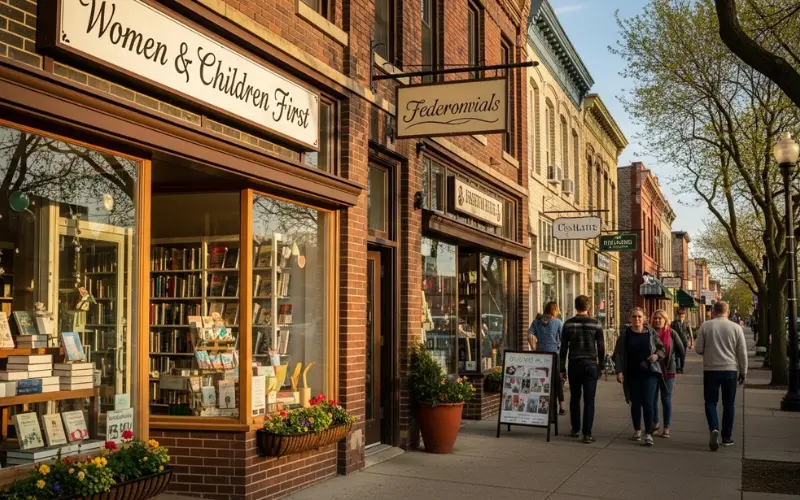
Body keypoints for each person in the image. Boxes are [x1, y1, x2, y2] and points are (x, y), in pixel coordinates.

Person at [695, 301, 747, 451]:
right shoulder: (736, 328)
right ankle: (726, 438)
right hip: (730, 370)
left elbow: (698, 349)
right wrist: (743, 371)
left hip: (711, 370)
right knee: (729, 404)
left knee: (710, 402)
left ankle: (713, 428)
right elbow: (742, 353)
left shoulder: (706, 326)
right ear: (728, 312)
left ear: (713, 312)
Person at [613, 307, 665, 447]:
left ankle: (648, 433)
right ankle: (637, 430)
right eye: (634, 317)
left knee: (648, 402)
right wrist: (619, 371)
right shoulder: (625, 334)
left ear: (644, 318)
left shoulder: (650, 333)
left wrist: (656, 355)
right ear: (630, 319)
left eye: (639, 317)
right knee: (635, 403)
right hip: (632, 373)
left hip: (649, 373)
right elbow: (618, 354)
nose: (637, 319)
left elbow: (662, 349)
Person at [560, 295, 605, 444]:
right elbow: (601, 347)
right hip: (591, 364)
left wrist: (562, 368)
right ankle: (587, 433)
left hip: (574, 363)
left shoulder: (568, 324)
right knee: (589, 399)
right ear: (589, 307)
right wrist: (601, 365)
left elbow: (564, 349)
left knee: (574, 397)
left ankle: (575, 428)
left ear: (575, 306)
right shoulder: (596, 324)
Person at [651, 309, 685, 438]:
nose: (658, 320)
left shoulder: (671, 333)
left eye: (660, 318)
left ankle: (666, 427)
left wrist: (679, 364)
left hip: (668, 369)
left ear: (665, 320)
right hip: (653, 370)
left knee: (666, 398)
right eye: (655, 318)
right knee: (652, 399)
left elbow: (681, 348)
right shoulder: (649, 333)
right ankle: (655, 424)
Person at [530, 302, 565, 414]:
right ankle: (561, 406)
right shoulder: (558, 322)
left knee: (541, 379)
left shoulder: (536, 321)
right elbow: (563, 339)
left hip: (541, 354)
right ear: (555, 310)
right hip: (554, 353)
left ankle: (541, 405)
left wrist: (534, 348)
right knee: (557, 380)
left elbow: (529, 335)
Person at [670, 308, 693, 373]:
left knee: (682, 355)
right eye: (680, 314)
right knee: (676, 355)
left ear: (684, 315)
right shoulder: (673, 323)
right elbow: (670, 332)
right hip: (676, 341)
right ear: (677, 315)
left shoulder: (687, 323)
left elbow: (690, 333)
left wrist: (692, 342)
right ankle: (677, 368)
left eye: (682, 314)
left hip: (684, 341)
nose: (681, 315)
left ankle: (681, 367)